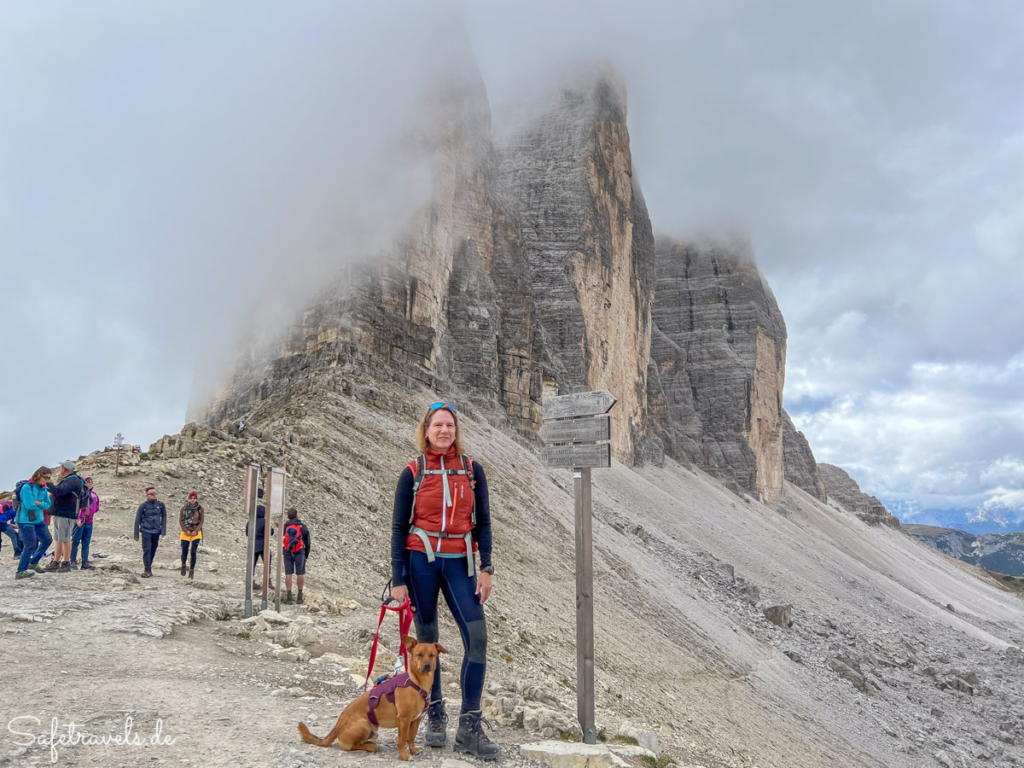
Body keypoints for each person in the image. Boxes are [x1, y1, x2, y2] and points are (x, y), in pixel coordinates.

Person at [391, 402, 499, 759]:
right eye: (438, 425)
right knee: (427, 639)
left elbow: (483, 522)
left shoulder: (472, 470)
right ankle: (434, 712)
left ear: (456, 430)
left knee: (478, 638)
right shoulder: (413, 472)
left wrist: (486, 568)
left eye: (449, 425)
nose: (444, 431)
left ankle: (469, 726)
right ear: (426, 430)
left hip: (461, 564)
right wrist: (398, 578)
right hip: (420, 561)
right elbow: (397, 526)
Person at [16, 466, 54, 579]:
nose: (46, 480)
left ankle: (33, 562)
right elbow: (29, 505)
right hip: (25, 520)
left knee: (47, 540)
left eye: (48, 477)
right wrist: (39, 504)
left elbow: (48, 504)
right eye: (45, 477)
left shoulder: (43, 488)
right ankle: (21, 571)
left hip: (38, 519)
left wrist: (39, 504)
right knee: (30, 544)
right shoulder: (27, 487)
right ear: (38, 475)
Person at [47, 460, 85, 572]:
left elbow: (60, 492)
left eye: (61, 468)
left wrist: (49, 485)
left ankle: (66, 562)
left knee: (65, 538)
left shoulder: (72, 480)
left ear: (64, 469)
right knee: (59, 539)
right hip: (61, 513)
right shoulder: (70, 480)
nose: (60, 470)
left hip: (66, 514)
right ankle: (56, 561)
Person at [134, 486, 166, 578]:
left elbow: (164, 518)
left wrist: (163, 531)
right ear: (147, 495)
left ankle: (149, 567)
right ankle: (147, 570)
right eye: (152, 494)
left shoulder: (160, 505)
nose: (154, 495)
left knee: (153, 549)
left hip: (156, 531)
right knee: (147, 550)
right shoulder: (143, 506)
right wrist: (136, 535)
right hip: (146, 531)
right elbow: (137, 520)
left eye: (155, 493)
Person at [245, 488, 274, 589]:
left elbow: (247, 533)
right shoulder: (265, 521)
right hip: (263, 545)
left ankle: (251, 581)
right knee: (267, 563)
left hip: (252, 545)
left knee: (252, 564)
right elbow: (271, 532)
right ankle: (268, 581)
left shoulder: (251, 521)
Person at [282, 508, 311, 605]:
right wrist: (306, 554)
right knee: (300, 573)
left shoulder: (285, 526)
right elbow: (308, 542)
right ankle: (299, 597)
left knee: (288, 574)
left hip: (287, 552)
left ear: (288, 516)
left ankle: (289, 597)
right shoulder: (302, 526)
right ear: (297, 515)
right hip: (299, 552)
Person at [71, 477, 98, 570]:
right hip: (79, 521)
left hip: (89, 521)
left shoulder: (94, 495)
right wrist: (78, 518)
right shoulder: (80, 494)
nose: (90, 484)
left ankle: (85, 562)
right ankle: (72, 561)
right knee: (75, 541)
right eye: (88, 482)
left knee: (86, 542)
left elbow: (96, 507)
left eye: (91, 482)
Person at [179, 491, 204, 579]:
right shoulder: (183, 509)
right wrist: (185, 530)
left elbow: (201, 521)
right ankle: (183, 564)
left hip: (196, 532)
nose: (192, 500)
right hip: (186, 531)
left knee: (193, 551)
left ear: (196, 499)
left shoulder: (200, 509)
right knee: (184, 550)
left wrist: (196, 530)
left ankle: (192, 570)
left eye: (194, 498)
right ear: (189, 499)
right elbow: (181, 521)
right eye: (191, 498)